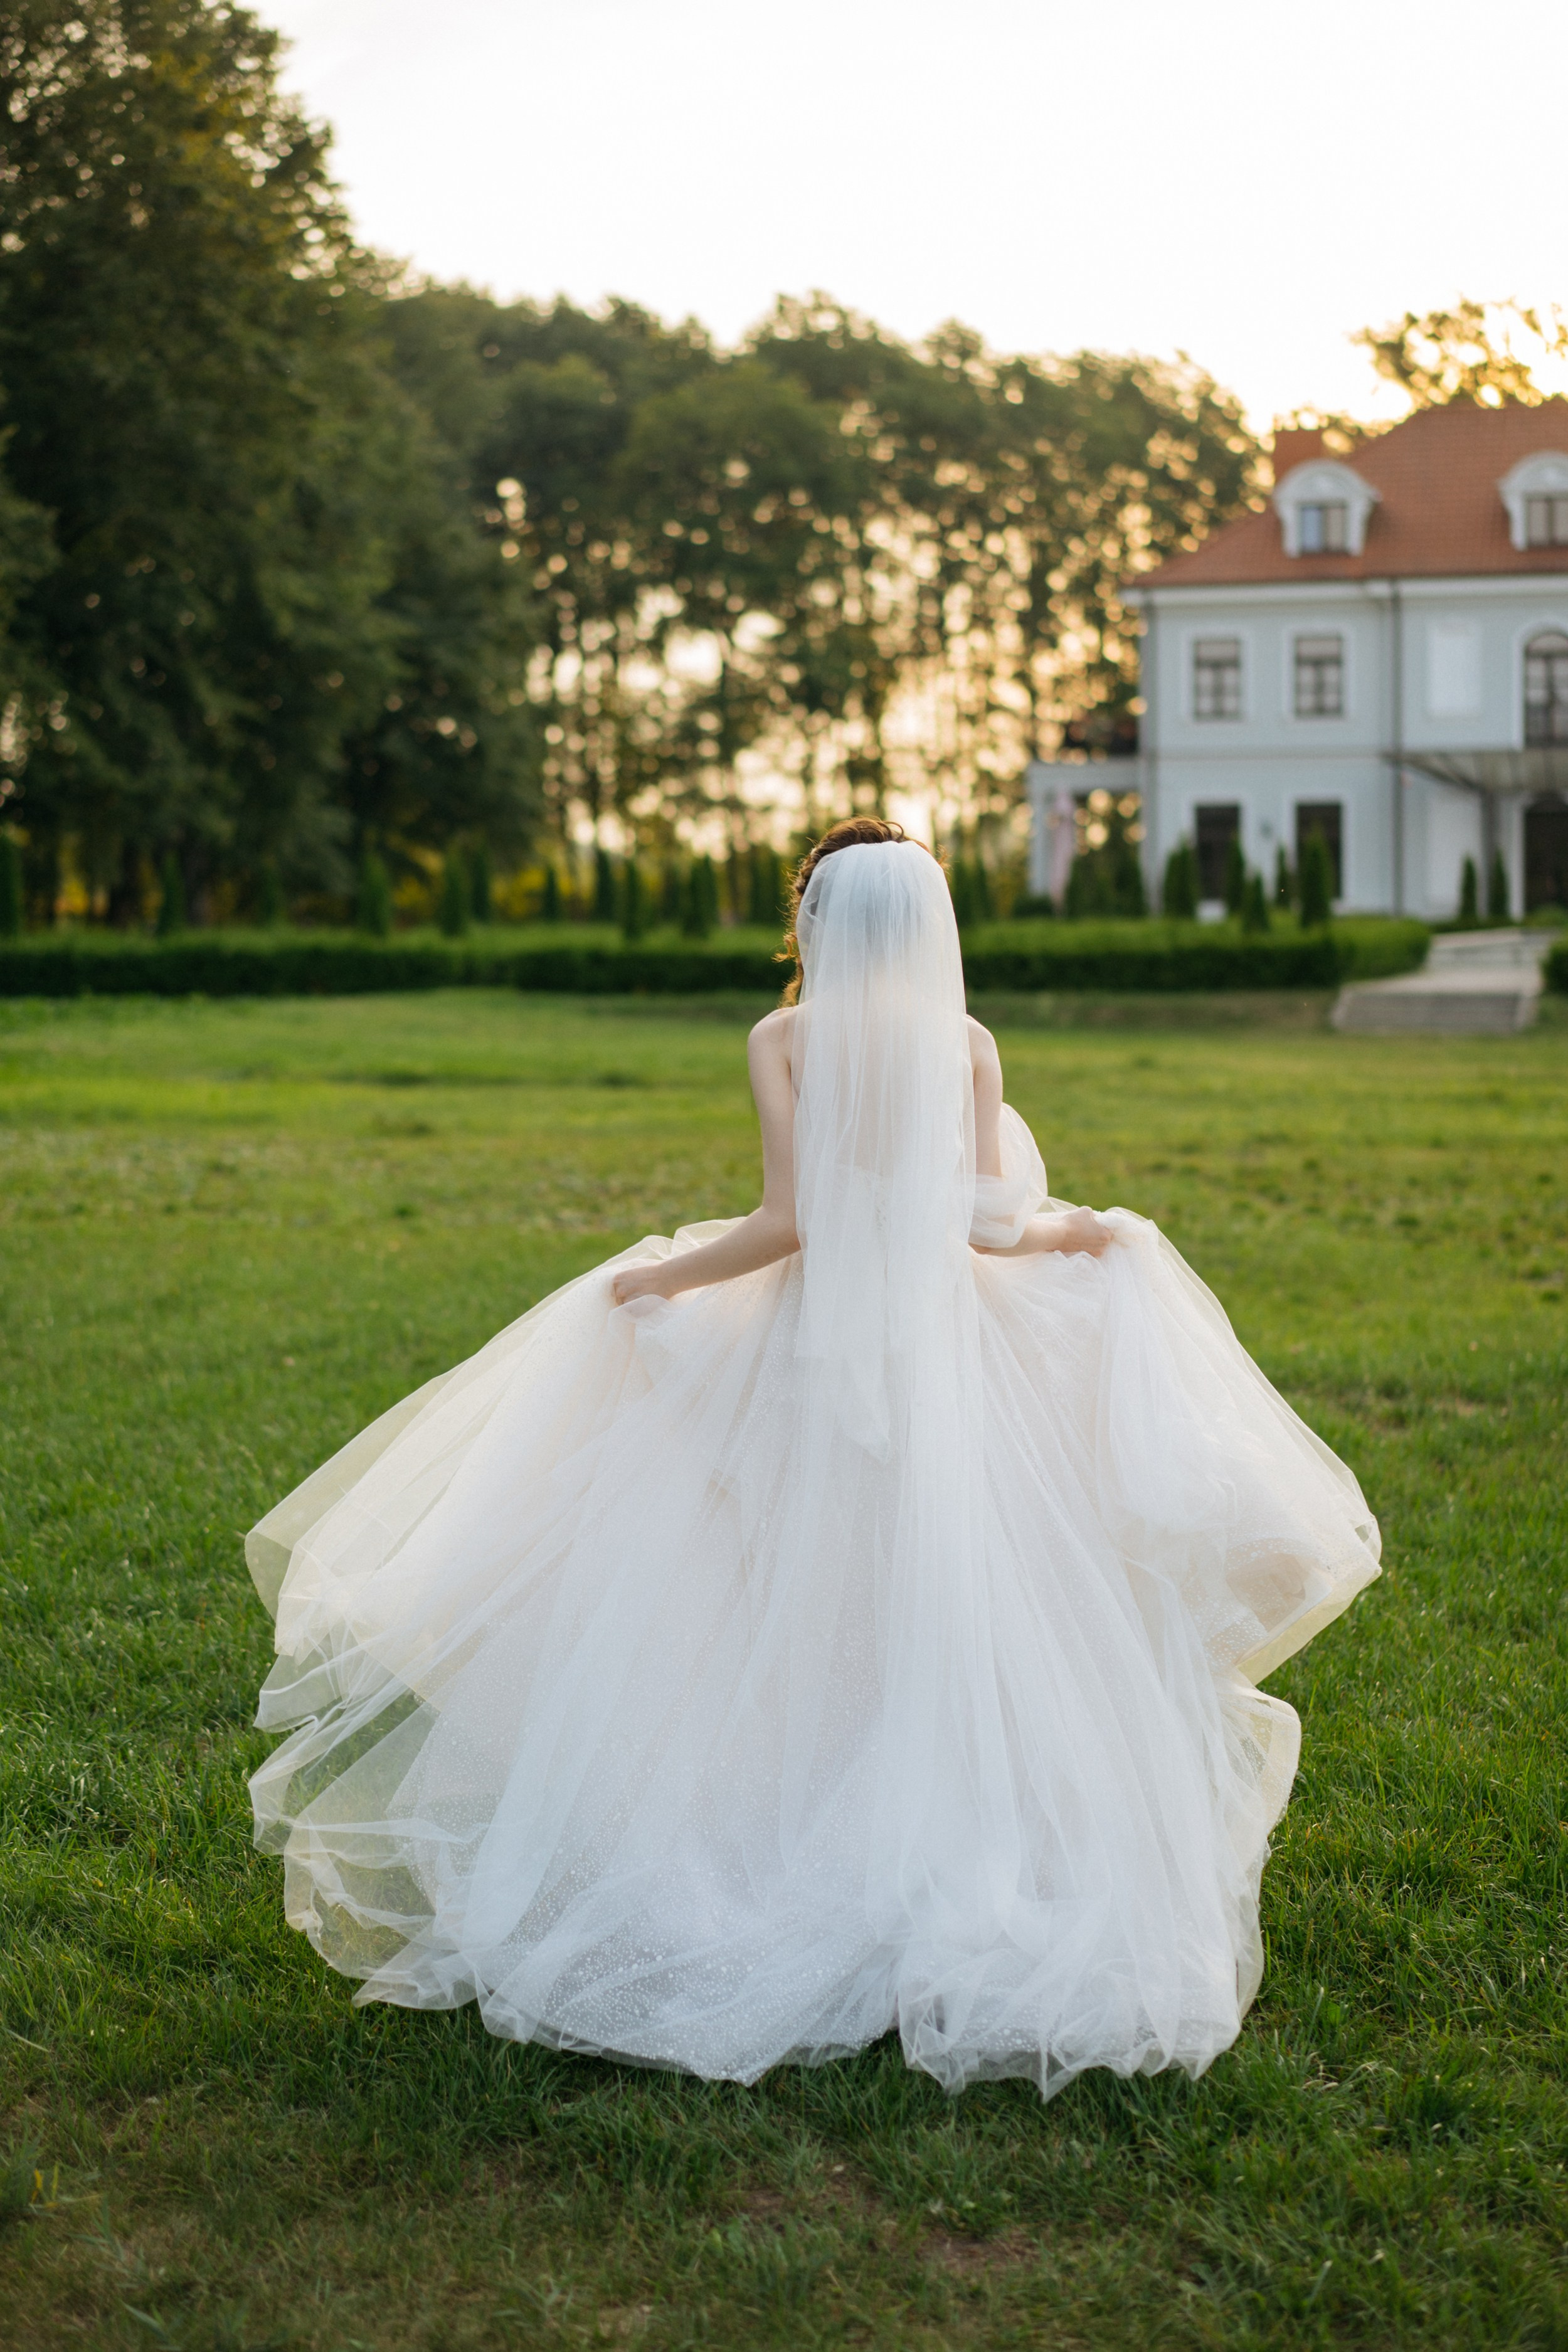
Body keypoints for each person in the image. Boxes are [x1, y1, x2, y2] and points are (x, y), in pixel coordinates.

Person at [246, 818, 1379, 2100]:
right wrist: (1089, 1238)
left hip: (819, 1342)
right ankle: (945, 1834)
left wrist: (655, 1277)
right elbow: (988, 1221)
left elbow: (786, 1222)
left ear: (817, 924)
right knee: (952, 1591)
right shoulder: (965, 1046)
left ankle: (783, 1823)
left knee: (783, 1583)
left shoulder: (782, 1039)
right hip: (949, 1355)